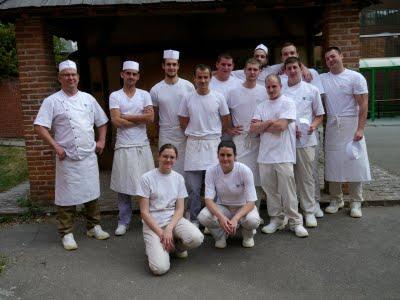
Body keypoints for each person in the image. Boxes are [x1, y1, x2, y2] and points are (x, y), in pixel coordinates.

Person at [34, 60, 110, 251]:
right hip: (66, 157)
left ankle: (94, 227)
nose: (70, 78)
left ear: (78, 77)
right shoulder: (52, 101)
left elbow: (102, 121)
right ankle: (66, 232)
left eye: (73, 74)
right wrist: (55, 146)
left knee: (92, 193)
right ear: (60, 78)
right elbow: (40, 126)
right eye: (66, 75)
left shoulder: (88, 99)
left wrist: (101, 141)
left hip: (88, 156)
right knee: (66, 197)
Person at [250, 74, 309, 238]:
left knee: (288, 191)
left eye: (274, 86)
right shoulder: (261, 105)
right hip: (265, 156)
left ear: (280, 86)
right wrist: (269, 123)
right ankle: (276, 219)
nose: (271, 89)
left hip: (283, 155)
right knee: (271, 191)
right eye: (268, 87)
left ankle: (295, 222)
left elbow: (281, 126)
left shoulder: (288, 103)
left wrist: (264, 124)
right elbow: (253, 129)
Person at [276, 42, 325, 218]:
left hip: (306, 141)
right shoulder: (281, 90)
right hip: (285, 141)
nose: (292, 71)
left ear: (300, 67)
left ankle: (309, 211)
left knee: (306, 177)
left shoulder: (311, 89)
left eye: (295, 67)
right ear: (285, 70)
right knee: (288, 179)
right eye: (289, 68)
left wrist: (312, 126)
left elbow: (320, 115)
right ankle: (291, 211)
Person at [320, 46, 371, 218]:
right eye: (327, 58)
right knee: (333, 162)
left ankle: (356, 202)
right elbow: (306, 76)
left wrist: (361, 128)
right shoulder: (322, 79)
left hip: (352, 125)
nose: (330, 60)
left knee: (354, 162)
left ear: (341, 56)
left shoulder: (355, 77)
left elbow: (363, 104)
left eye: (333, 56)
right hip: (333, 125)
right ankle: (336, 199)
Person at [138, 144, 204, 275]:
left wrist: (168, 229)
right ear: (159, 157)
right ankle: (156, 246)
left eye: (172, 157)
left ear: (176, 159)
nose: (168, 160)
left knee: (197, 238)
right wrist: (161, 233)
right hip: (153, 224)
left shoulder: (178, 178)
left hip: (173, 220)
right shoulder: (146, 178)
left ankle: (175, 247)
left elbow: (180, 209)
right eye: (165, 156)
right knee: (159, 269)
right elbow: (144, 213)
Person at [178, 64, 230, 226]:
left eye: (205, 77)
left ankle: (212, 218)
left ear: (210, 78)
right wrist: (196, 132)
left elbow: (225, 119)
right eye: (199, 77)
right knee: (193, 188)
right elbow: (183, 120)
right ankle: (194, 219)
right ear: (194, 79)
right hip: (194, 144)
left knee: (214, 186)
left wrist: (214, 134)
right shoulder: (187, 97)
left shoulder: (218, 97)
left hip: (213, 144)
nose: (202, 80)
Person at [109, 60, 155, 236]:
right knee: (123, 185)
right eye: (128, 73)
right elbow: (116, 121)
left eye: (134, 74)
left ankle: (148, 218)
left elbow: (150, 118)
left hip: (142, 144)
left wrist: (127, 116)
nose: (131, 77)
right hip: (124, 145)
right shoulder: (115, 95)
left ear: (138, 76)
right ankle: (123, 221)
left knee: (147, 183)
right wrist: (139, 118)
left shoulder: (144, 94)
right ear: (122, 74)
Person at [198, 141, 261, 248]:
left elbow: (251, 202)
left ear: (235, 156)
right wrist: (221, 217)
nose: (225, 158)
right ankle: (220, 236)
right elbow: (208, 200)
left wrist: (236, 219)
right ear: (217, 155)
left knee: (252, 220)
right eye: (222, 155)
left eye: (229, 155)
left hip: (243, 207)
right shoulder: (211, 171)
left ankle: (248, 236)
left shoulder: (245, 170)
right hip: (223, 207)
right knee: (203, 217)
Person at [226, 58, 267, 209]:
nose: (252, 72)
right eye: (249, 69)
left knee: (257, 177)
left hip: (259, 139)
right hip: (240, 140)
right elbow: (225, 112)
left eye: (255, 70)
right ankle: (239, 210)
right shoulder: (233, 92)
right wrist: (228, 128)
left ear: (259, 72)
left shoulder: (264, 91)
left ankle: (254, 209)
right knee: (240, 175)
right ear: (244, 71)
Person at [150, 50, 195, 175]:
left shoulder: (188, 86)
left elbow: (193, 111)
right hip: (166, 133)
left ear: (178, 66)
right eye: (168, 64)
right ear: (163, 66)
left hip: (184, 133)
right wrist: (156, 133)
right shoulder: (155, 89)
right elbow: (155, 116)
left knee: (185, 166)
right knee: (166, 165)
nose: (171, 67)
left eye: (174, 64)